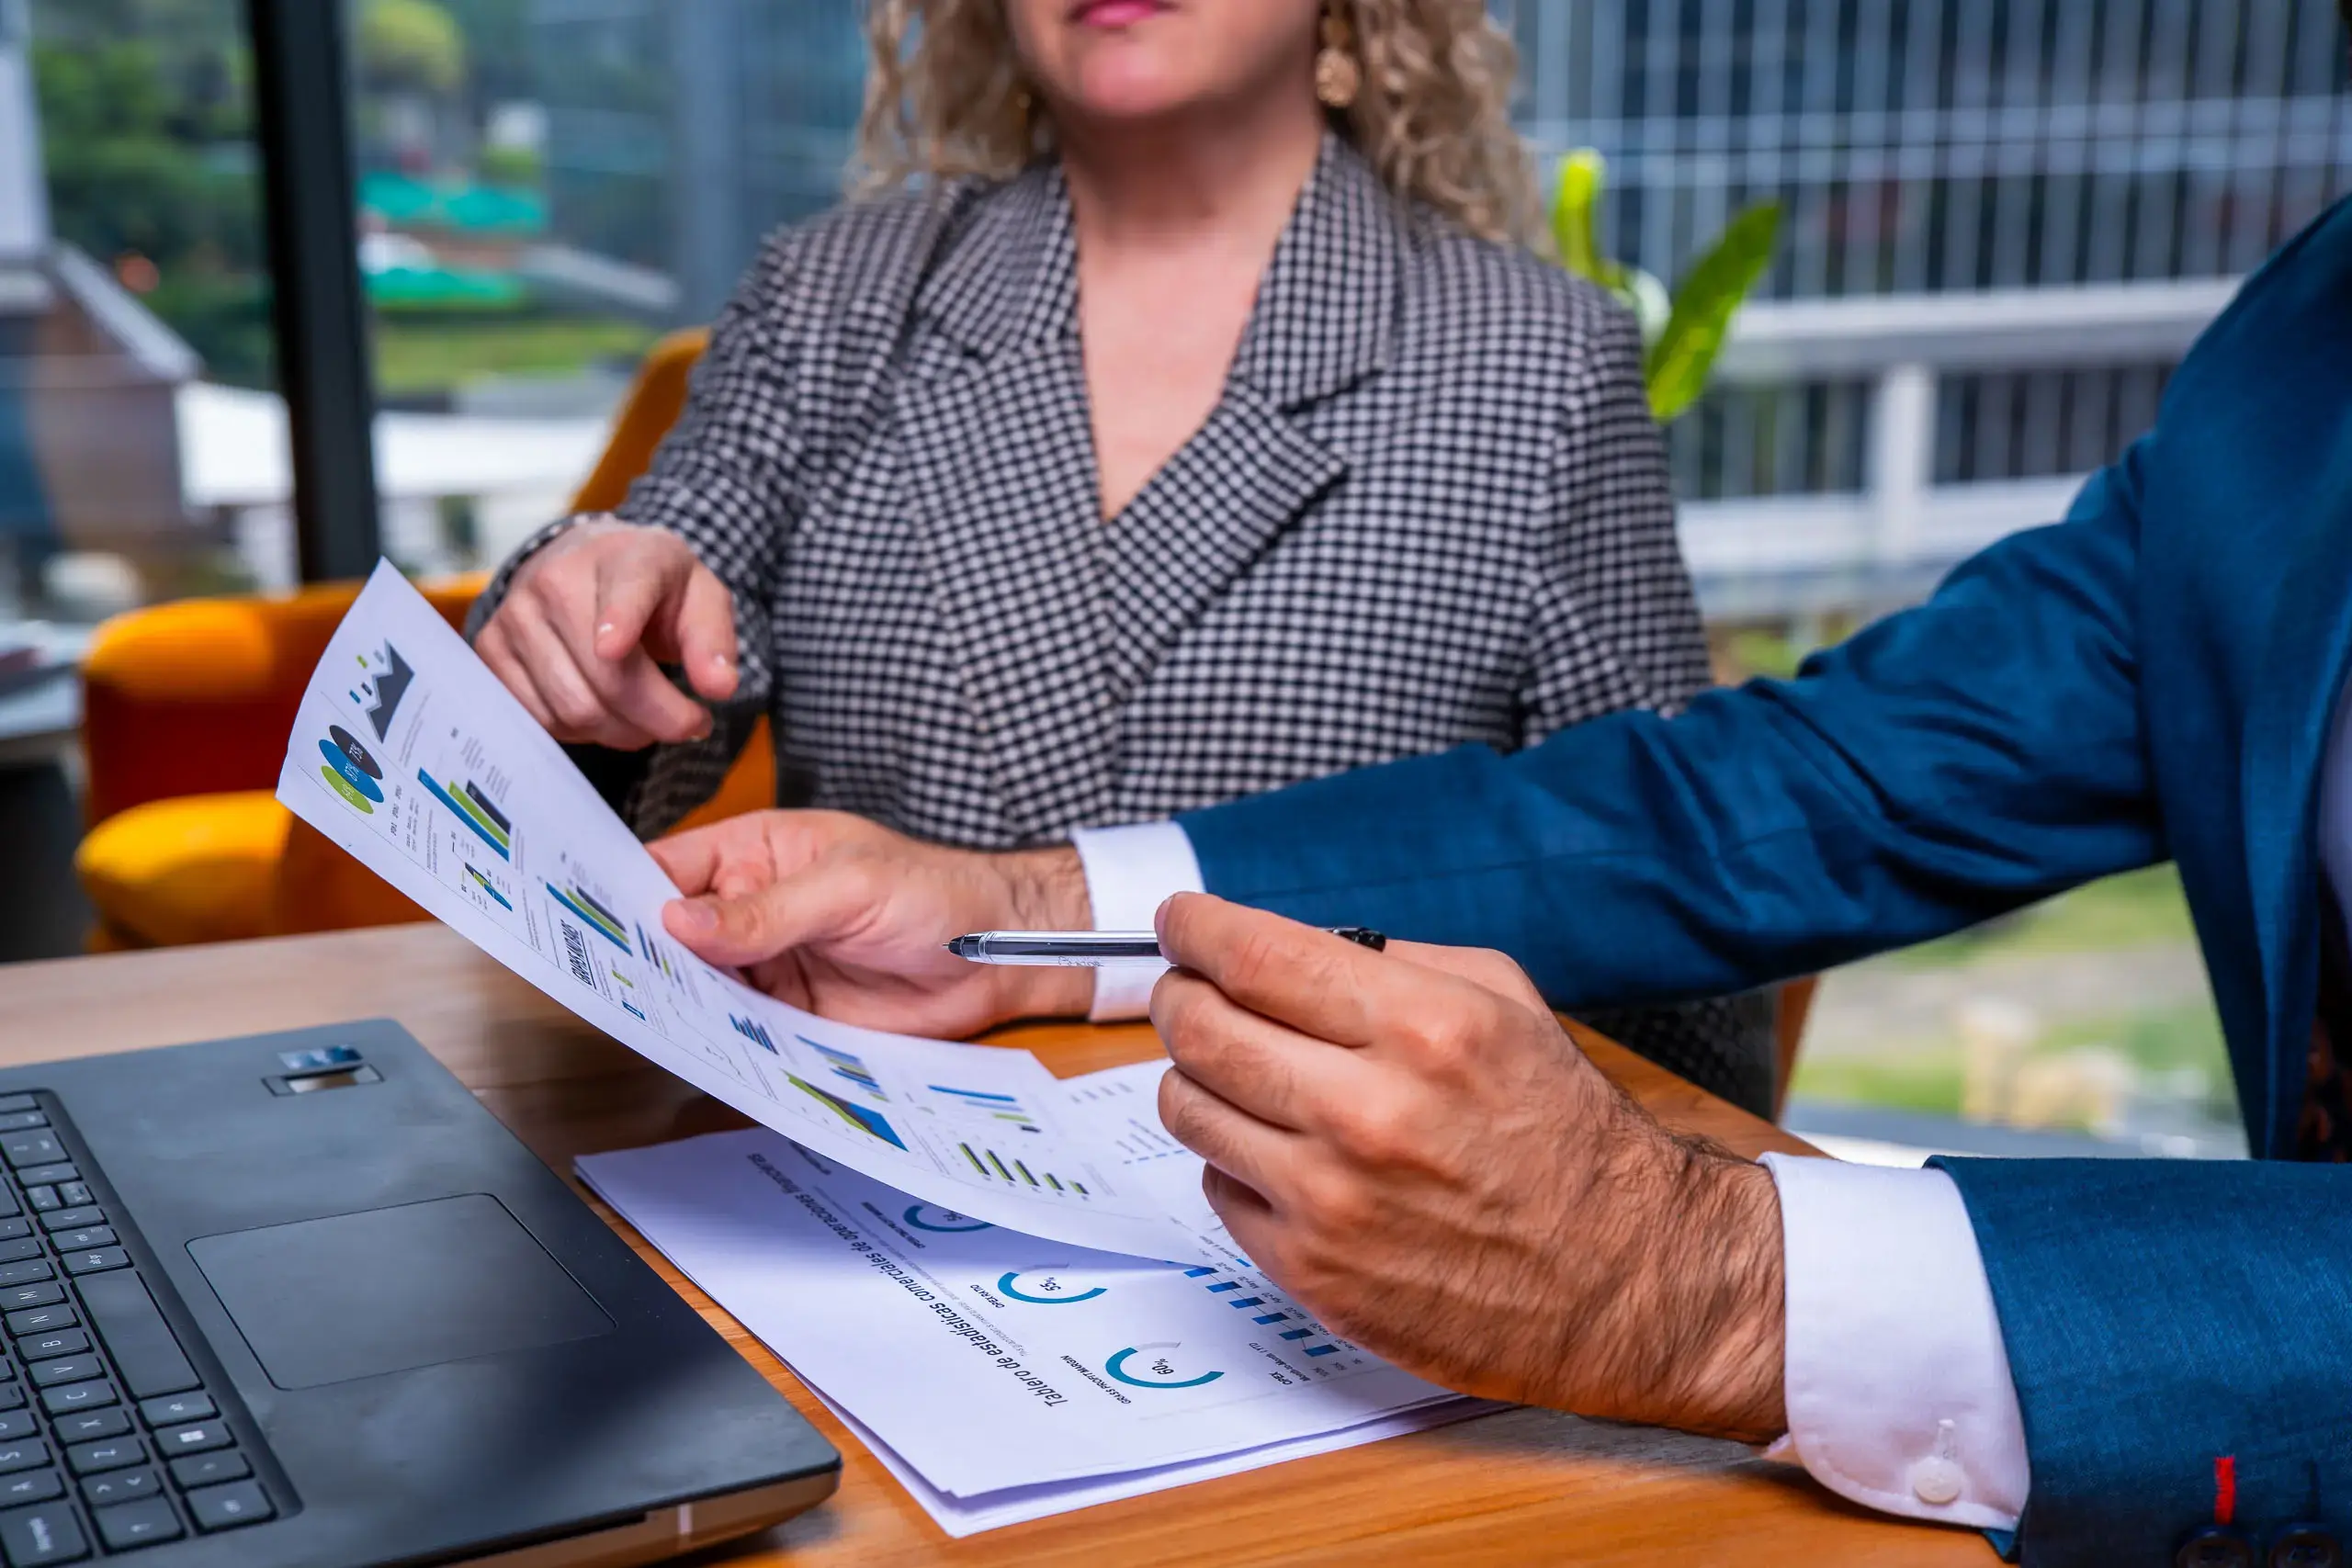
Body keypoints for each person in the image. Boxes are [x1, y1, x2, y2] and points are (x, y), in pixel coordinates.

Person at [639, 68, 2352, 1568]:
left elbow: (1697, 1049)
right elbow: (1790, 791)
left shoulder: (1522, 354)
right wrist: (1031, 903)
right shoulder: (2304, 350)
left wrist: (1715, 1279)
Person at [465, 0, 1773, 1110]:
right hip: (852, 1181)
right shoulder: (830, 296)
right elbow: (657, 592)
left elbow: (1667, 936)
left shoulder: (1536, 362)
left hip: (1340, 1253)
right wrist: (579, 618)